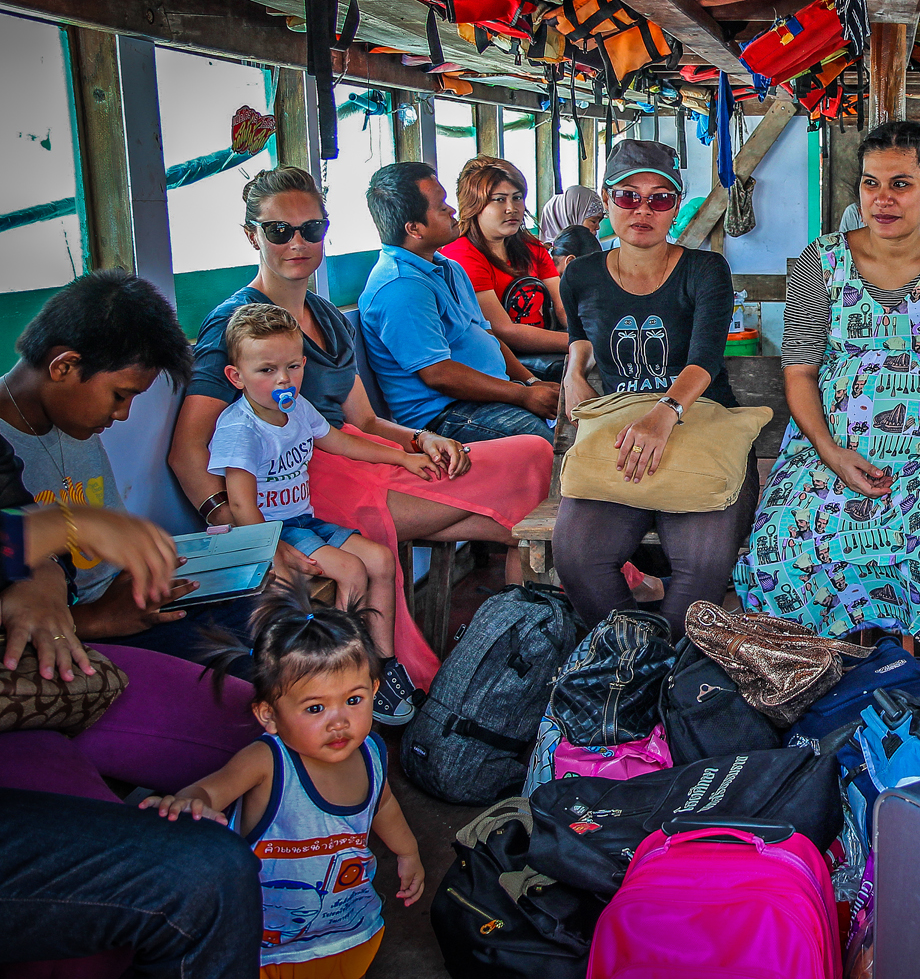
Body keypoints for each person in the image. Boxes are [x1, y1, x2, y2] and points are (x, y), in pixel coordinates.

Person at [170, 166, 553, 689]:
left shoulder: (326, 317)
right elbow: (188, 453)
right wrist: (257, 541)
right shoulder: (236, 326)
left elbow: (366, 420)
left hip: (362, 455)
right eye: (279, 231)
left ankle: (509, 675)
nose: (297, 242)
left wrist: (422, 440)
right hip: (310, 485)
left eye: (312, 229)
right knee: (531, 518)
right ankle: (434, 676)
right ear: (251, 236)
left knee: (532, 461)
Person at [737, 120, 920, 673]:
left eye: (901, 184)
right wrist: (830, 453)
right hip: (832, 451)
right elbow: (800, 371)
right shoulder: (818, 263)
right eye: (870, 184)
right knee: (783, 543)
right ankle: (809, 681)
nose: (882, 199)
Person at [1, 467, 262, 977]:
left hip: (46, 669)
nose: (121, 416)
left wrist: (45, 583)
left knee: (282, 730)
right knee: (201, 876)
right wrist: (59, 528)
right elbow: (37, 528)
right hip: (30, 686)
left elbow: (16, 509)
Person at [140, 581, 423, 978]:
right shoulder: (267, 762)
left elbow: (384, 805)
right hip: (265, 952)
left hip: (350, 933)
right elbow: (211, 789)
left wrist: (408, 853)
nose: (339, 720)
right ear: (269, 715)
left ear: (375, 690)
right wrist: (191, 801)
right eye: (315, 707)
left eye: (354, 700)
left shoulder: (372, 752)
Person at [555, 139, 752, 639]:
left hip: (700, 423)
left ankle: (659, 673)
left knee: (701, 569)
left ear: (675, 207)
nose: (643, 209)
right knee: (579, 560)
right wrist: (574, 371)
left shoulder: (705, 270)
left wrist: (664, 413)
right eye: (627, 196)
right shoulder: (579, 275)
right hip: (624, 429)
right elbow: (581, 334)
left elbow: (705, 359)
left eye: (661, 198)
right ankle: (637, 660)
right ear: (606, 201)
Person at [0, 270, 248, 665]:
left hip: (119, 602)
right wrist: (93, 617)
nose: (122, 414)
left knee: (268, 616)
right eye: (120, 395)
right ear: (63, 366)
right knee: (236, 665)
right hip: (82, 630)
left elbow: (97, 566)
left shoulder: (74, 425)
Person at [207, 303, 434, 724]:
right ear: (236, 377)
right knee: (350, 570)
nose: (282, 379)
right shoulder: (240, 429)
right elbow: (240, 504)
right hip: (273, 531)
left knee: (381, 559)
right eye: (266, 370)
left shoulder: (297, 409)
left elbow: (341, 442)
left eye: (292, 367)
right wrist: (270, 549)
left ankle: (381, 665)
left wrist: (402, 458)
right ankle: (343, 668)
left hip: (305, 521)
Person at [359, 161, 561, 443]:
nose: (452, 211)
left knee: (571, 410)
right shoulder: (400, 287)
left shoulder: (447, 268)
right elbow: (439, 375)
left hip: (493, 391)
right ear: (415, 228)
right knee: (547, 444)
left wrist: (532, 382)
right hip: (446, 415)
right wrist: (524, 395)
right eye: (442, 207)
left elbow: (487, 335)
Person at [440, 156, 572, 382]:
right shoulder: (461, 253)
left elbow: (563, 306)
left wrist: (588, 336)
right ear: (474, 205)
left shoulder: (531, 247)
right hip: (503, 360)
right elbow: (504, 330)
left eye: (517, 198)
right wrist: (580, 343)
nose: (512, 209)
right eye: (499, 200)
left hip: (545, 345)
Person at [538, 181, 606, 245]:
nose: (598, 227)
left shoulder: (586, 247)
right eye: (593, 221)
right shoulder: (553, 255)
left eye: (599, 221)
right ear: (569, 218)